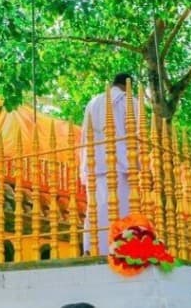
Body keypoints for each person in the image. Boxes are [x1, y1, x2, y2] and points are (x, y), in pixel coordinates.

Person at [79, 72, 135, 255]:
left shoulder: (93, 102)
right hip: (120, 163)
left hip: (94, 163)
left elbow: (84, 136)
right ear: (128, 85)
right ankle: (119, 249)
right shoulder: (129, 101)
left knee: (95, 208)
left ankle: (90, 249)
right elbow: (136, 135)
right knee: (121, 208)